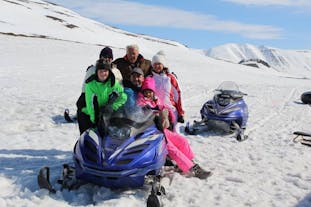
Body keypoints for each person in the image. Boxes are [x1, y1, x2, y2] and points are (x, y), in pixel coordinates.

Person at [137, 77, 211, 179]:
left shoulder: (155, 100)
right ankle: (193, 169)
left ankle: (188, 162)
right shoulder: (141, 102)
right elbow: (142, 115)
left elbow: (164, 108)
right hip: (151, 133)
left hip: (161, 129)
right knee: (172, 148)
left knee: (181, 140)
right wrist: (156, 116)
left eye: (150, 91)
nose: (148, 94)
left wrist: (169, 117)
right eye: (146, 91)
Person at [76, 47, 122, 133]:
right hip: (93, 98)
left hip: (110, 99)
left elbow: (120, 87)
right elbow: (85, 89)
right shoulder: (92, 70)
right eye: (104, 57)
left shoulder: (116, 71)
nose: (107, 59)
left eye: (109, 58)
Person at [151, 51, 185, 124]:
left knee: (174, 133)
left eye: (159, 64)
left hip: (171, 110)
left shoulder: (170, 77)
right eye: (155, 64)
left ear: (163, 65)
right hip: (156, 111)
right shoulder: (150, 78)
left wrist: (181, 112)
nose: (157, 66)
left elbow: (178, 95)